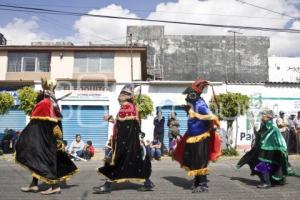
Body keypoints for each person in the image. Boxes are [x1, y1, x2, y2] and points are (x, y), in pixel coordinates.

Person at [15, 78, 78, 195]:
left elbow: (37, 124)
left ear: (44, 89)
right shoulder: (53, 103)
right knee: (38, 159)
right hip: (49, 139)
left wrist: (25, 137)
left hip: (43, 139)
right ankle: (34, 184)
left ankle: (54, 186)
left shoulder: (45, 103)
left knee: (41, 160)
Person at [94, 84, 153, 194]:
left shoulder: (127, 107)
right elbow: (123, 124)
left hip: (126, 143)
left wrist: (121, 145)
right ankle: (148, 182)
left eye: (121, 94)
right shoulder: (129, 107)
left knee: (116, 162)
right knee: (136, 162)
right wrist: (111, 119)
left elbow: (126, 128)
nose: (119, 96)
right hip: (130, 143)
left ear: (127, 96)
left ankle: (107, 185)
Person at [173, 77, 221, 193]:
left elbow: (211, 116)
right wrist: (188, 111)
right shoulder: (194, 105)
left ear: (193, 95)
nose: (186, 97)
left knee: (200, 160)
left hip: (201, 137)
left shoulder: (200, 104)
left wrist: (196, 115)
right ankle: (197, 182)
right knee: (193, 159)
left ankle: (203, 184)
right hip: (192, 136)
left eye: (189, 94)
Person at [237, 109, 295, 189]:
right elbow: (259, 137)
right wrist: (255, 132)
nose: (262, 117)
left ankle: (266, 182)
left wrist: (282, 150)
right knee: (264, 164)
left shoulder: (273, 129)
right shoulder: (264, 126)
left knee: (262, 164)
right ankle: (272, 180)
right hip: (263, 151)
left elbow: (280, 142)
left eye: (263, 115)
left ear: (269, 117)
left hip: (269, 152)